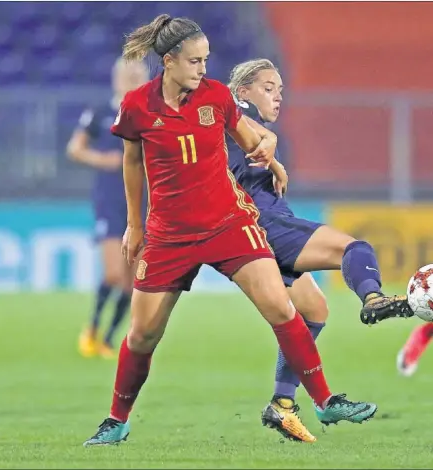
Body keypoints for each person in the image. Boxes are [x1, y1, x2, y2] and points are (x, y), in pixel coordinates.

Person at [83, 14, 377, 447]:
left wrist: (271, 158)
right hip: (169, 234)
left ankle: (325, 400)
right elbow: (132, 162)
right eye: (194, 61)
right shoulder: (137, 106)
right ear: (169, 61)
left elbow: (249, 137)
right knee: (143, 333)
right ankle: (116, 420)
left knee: (281, 307)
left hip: (229, 223)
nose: (203, 69)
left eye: (205, 60)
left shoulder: (216, 96)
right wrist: (134, 224)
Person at [226, 58, 412, 440]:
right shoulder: (235, 110)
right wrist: (271, 147)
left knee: (313, 309)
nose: (278, 97)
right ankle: (373, 297)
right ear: (243, 91)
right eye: (268, 87)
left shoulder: (242, 128)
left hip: (255, 226)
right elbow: (248, 130)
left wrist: (272, 154)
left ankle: (282, 404)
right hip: (266, 223)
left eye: (280, 90)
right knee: (354, 248)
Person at [67, 58, 149, 359]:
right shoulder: (101, 112)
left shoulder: (151, 115)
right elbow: (74, 149)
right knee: (114, 273)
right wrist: (102, 160)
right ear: (116, 78)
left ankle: (108, 340)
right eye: (127, 75)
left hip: (142, 203)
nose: (131, 79)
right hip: (110, 201)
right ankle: (92, 326)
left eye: (137, 75)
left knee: (132, 281)